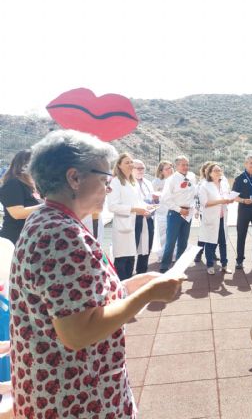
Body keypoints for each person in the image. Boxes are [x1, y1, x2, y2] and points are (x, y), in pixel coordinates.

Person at [10, 129, 184, 418]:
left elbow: (76, 300)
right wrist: (147, 295)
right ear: (74, 178)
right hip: (74, 398)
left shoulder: (47, 219)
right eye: (105, 180)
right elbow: (77, 332)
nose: (109, 189)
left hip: (61, 390)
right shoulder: (61, 235)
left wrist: (129, 287)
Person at [108, 153, 152, 280]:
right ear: (119, 166)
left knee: (132, 255)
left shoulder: (133, 182)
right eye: (127, 162)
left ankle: (128, 284)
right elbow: (112, 206)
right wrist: (134, 209)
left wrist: (146, 207)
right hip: (124, 224)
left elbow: (137, 201)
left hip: (137, 221)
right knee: (122, 258)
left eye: (131, 162)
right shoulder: (115, 182)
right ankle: (121, 285)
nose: (130, 164)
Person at [159, 156, 197, 273]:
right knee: (171, 241)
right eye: (183, 165)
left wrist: (193, 208)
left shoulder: (192, 176)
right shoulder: (171, 179)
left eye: (187, 164)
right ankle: (164, 267)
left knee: (183, 242)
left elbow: (194, 193)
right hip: (175, 213)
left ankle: (179, 267)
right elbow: (165, 199)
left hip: (188, 213)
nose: (185, 167)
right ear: (177, 166)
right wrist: (179, 209)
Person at [0, 149, 42, 244]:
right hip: (13, 240)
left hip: (29, 239)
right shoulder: (13, 184)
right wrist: (47, 205)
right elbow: (17, 213)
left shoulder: (34, 185)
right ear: (24, 164)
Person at [198, 163, 233, 274]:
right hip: (211, 218)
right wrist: (221, 201)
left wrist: (229, 199)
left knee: (223, 242)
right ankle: (210, 266)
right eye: (216, 170)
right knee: (210, 242)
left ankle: (224, 265)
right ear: (210, 173)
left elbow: (227, 195)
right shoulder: (205, 185)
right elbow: (205, 203)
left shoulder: (223, 183)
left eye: (219, 170)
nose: (218, 172)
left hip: (222, 218)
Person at [132, 159, 155, 275]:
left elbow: (150, 199)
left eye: (143, 168)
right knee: (132, 248)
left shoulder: (148, 183)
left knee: (147, 247)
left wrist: (153, 205)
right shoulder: (128, 183)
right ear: (132, 169)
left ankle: (142, 272)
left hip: (148, 218)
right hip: (134, 219)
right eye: (138, 168)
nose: (141, 171)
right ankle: (127, 276)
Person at [152, 160, 174, 256]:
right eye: (167, 168)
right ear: (161, 171)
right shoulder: (157, 182)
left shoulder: (176, 180)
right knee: (162, 234)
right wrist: (157, 198)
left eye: (171, 167)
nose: (170, 170)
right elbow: (153, 198)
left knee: (173, 234)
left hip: (174, 210)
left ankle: (173, 254)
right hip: (161, 211)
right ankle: (162, 255)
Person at [194, 161, 214, 264]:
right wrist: (197, 210)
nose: (210, 170)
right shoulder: (201, 182)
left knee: (214, 233)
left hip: (215, 212)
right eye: (208, 168)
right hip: (204, 212)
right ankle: (198, 253)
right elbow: (197, 198)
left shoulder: (216, 181)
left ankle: (212, 253)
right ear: (204, 170)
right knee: (204, 233)